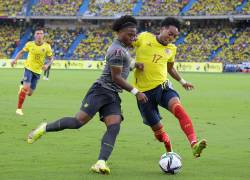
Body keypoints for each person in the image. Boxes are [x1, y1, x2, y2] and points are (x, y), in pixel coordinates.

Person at [27, 15, 148, 175]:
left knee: (114, 127)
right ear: (119, 32)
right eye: (129, 34)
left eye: (134, 34)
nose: (133, 38)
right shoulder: (117, 50)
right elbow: (116, 77)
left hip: (112, 95)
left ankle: (100, 162)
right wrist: (135, 91)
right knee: (78, 122)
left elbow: (124, 62)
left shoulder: (122, 48)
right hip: (101, 91)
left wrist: (134, 64)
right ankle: (44, 127)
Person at [132, 17, 207, 158]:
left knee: (178, 108)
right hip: (143, 94)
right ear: (162, 29)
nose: (171, 38)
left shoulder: (171, 49)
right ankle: (169, 151)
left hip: (163, 86)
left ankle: (194, 144)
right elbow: (126, 44)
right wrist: (131, 63)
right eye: (170, 33)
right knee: (159, 132)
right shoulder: (144, 37)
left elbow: (170, 68)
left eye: (175, 36)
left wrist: (182, 81)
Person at [11, 27, 53, 116]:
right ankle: (19, 109)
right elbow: (21, 52)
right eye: (37, 33)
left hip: (38, 71)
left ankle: (22, 86)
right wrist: (15, 60)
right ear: (34, 35)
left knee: (29, 93)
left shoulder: (47, 46)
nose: (39, 35)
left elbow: (51, 58)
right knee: (26, 88)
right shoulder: (29, 44)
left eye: (41, 33)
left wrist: (47, 65)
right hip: (28, 68)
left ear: (43, 35)